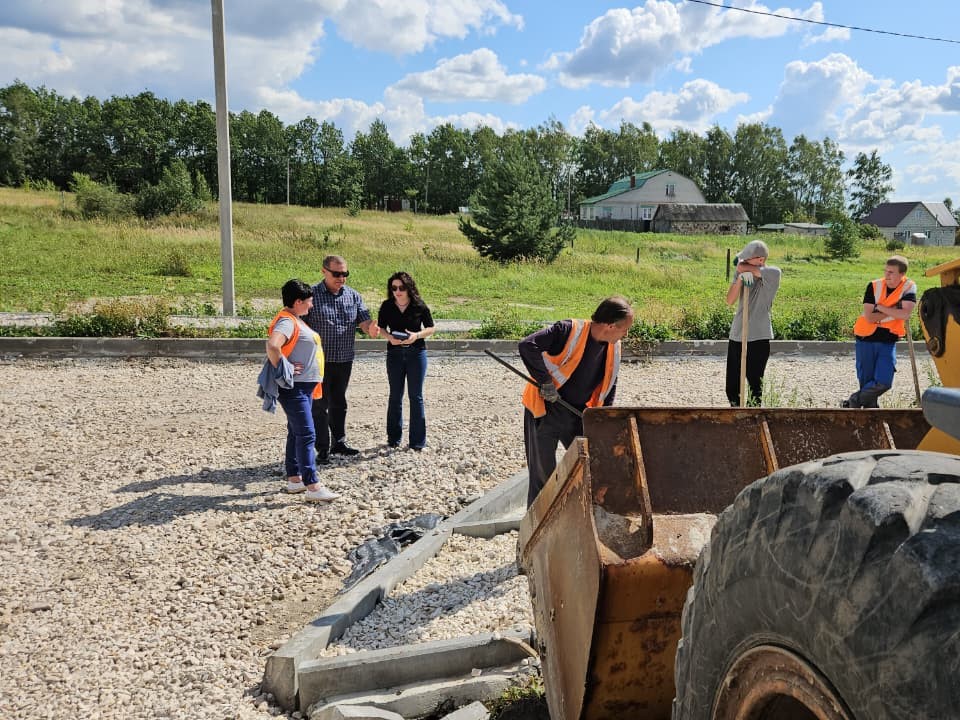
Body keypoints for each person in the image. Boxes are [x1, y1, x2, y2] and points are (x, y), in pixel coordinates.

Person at [519, 296, 634, 507]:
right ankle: (536, 531)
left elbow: (609, 384)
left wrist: (603, 419)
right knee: (543, 476)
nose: (625, 334)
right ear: (610, 325)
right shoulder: (568, 331)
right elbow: (528, 345)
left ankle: (581, 513)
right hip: (545, 410)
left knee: (590, 463)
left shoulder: (613, 347)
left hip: (577, 412)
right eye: (624, 329)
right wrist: (545, 382)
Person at [264, 279, 339, 503]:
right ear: (297, 302)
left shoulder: (294, 319)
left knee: (296, 432)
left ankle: (294, 479)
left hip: (303, 387)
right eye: (309, 302)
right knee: (307, 434)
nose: (312, 306)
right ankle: (312, 485)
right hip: (295, 387)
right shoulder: (287, 321)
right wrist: (283, 366)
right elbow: (273, 345)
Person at [305, 255, 380, 463]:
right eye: (336, 274)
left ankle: (338, 442)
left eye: (344, 274)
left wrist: (371, 328)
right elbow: (299, 326)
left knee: (339, 402)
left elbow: (364, 322)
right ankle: (321, 449)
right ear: (324, 271)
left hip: (344, 359)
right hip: (318, 361)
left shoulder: (354, 296)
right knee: (319, 405)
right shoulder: (311, 296)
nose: (341, 278)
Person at [843, 255, 917, 408]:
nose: (887, 275)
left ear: (902, 274)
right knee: (867, 381)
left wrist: (881, 307)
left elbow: (905, 314)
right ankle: (870, 414)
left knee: (884, 382)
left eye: (891, 272)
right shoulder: (874, 286)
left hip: (888, 340)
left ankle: (853, 402)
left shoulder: (909, 287)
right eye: (886, 271)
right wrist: (894, 310)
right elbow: (870, 317)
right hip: (865, 338)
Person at [377, 271, 436, 450]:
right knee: (395, 396)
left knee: (415, 396)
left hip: (416, 353)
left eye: (401, 287)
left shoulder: (419, 305)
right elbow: (380, 327)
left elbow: (431, 328)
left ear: (409, 288)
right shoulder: (387, 306)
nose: (398, 291)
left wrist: (416, 335)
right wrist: (390, 338)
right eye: (394, 288)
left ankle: (417, 442)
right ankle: (393, 439)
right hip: (394, 353)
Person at [724, 240, 781, 406]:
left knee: (754, 384)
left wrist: (743, 268)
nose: (743, 262)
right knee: (732, 385)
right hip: (738, 333)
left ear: (761, 260)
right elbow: (730, 300)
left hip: (758, 336)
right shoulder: (743, 271)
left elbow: (742, 266)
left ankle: (753, 414)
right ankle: (735, 411)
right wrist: (740, 279)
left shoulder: (773, 274)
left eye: (748, 259)